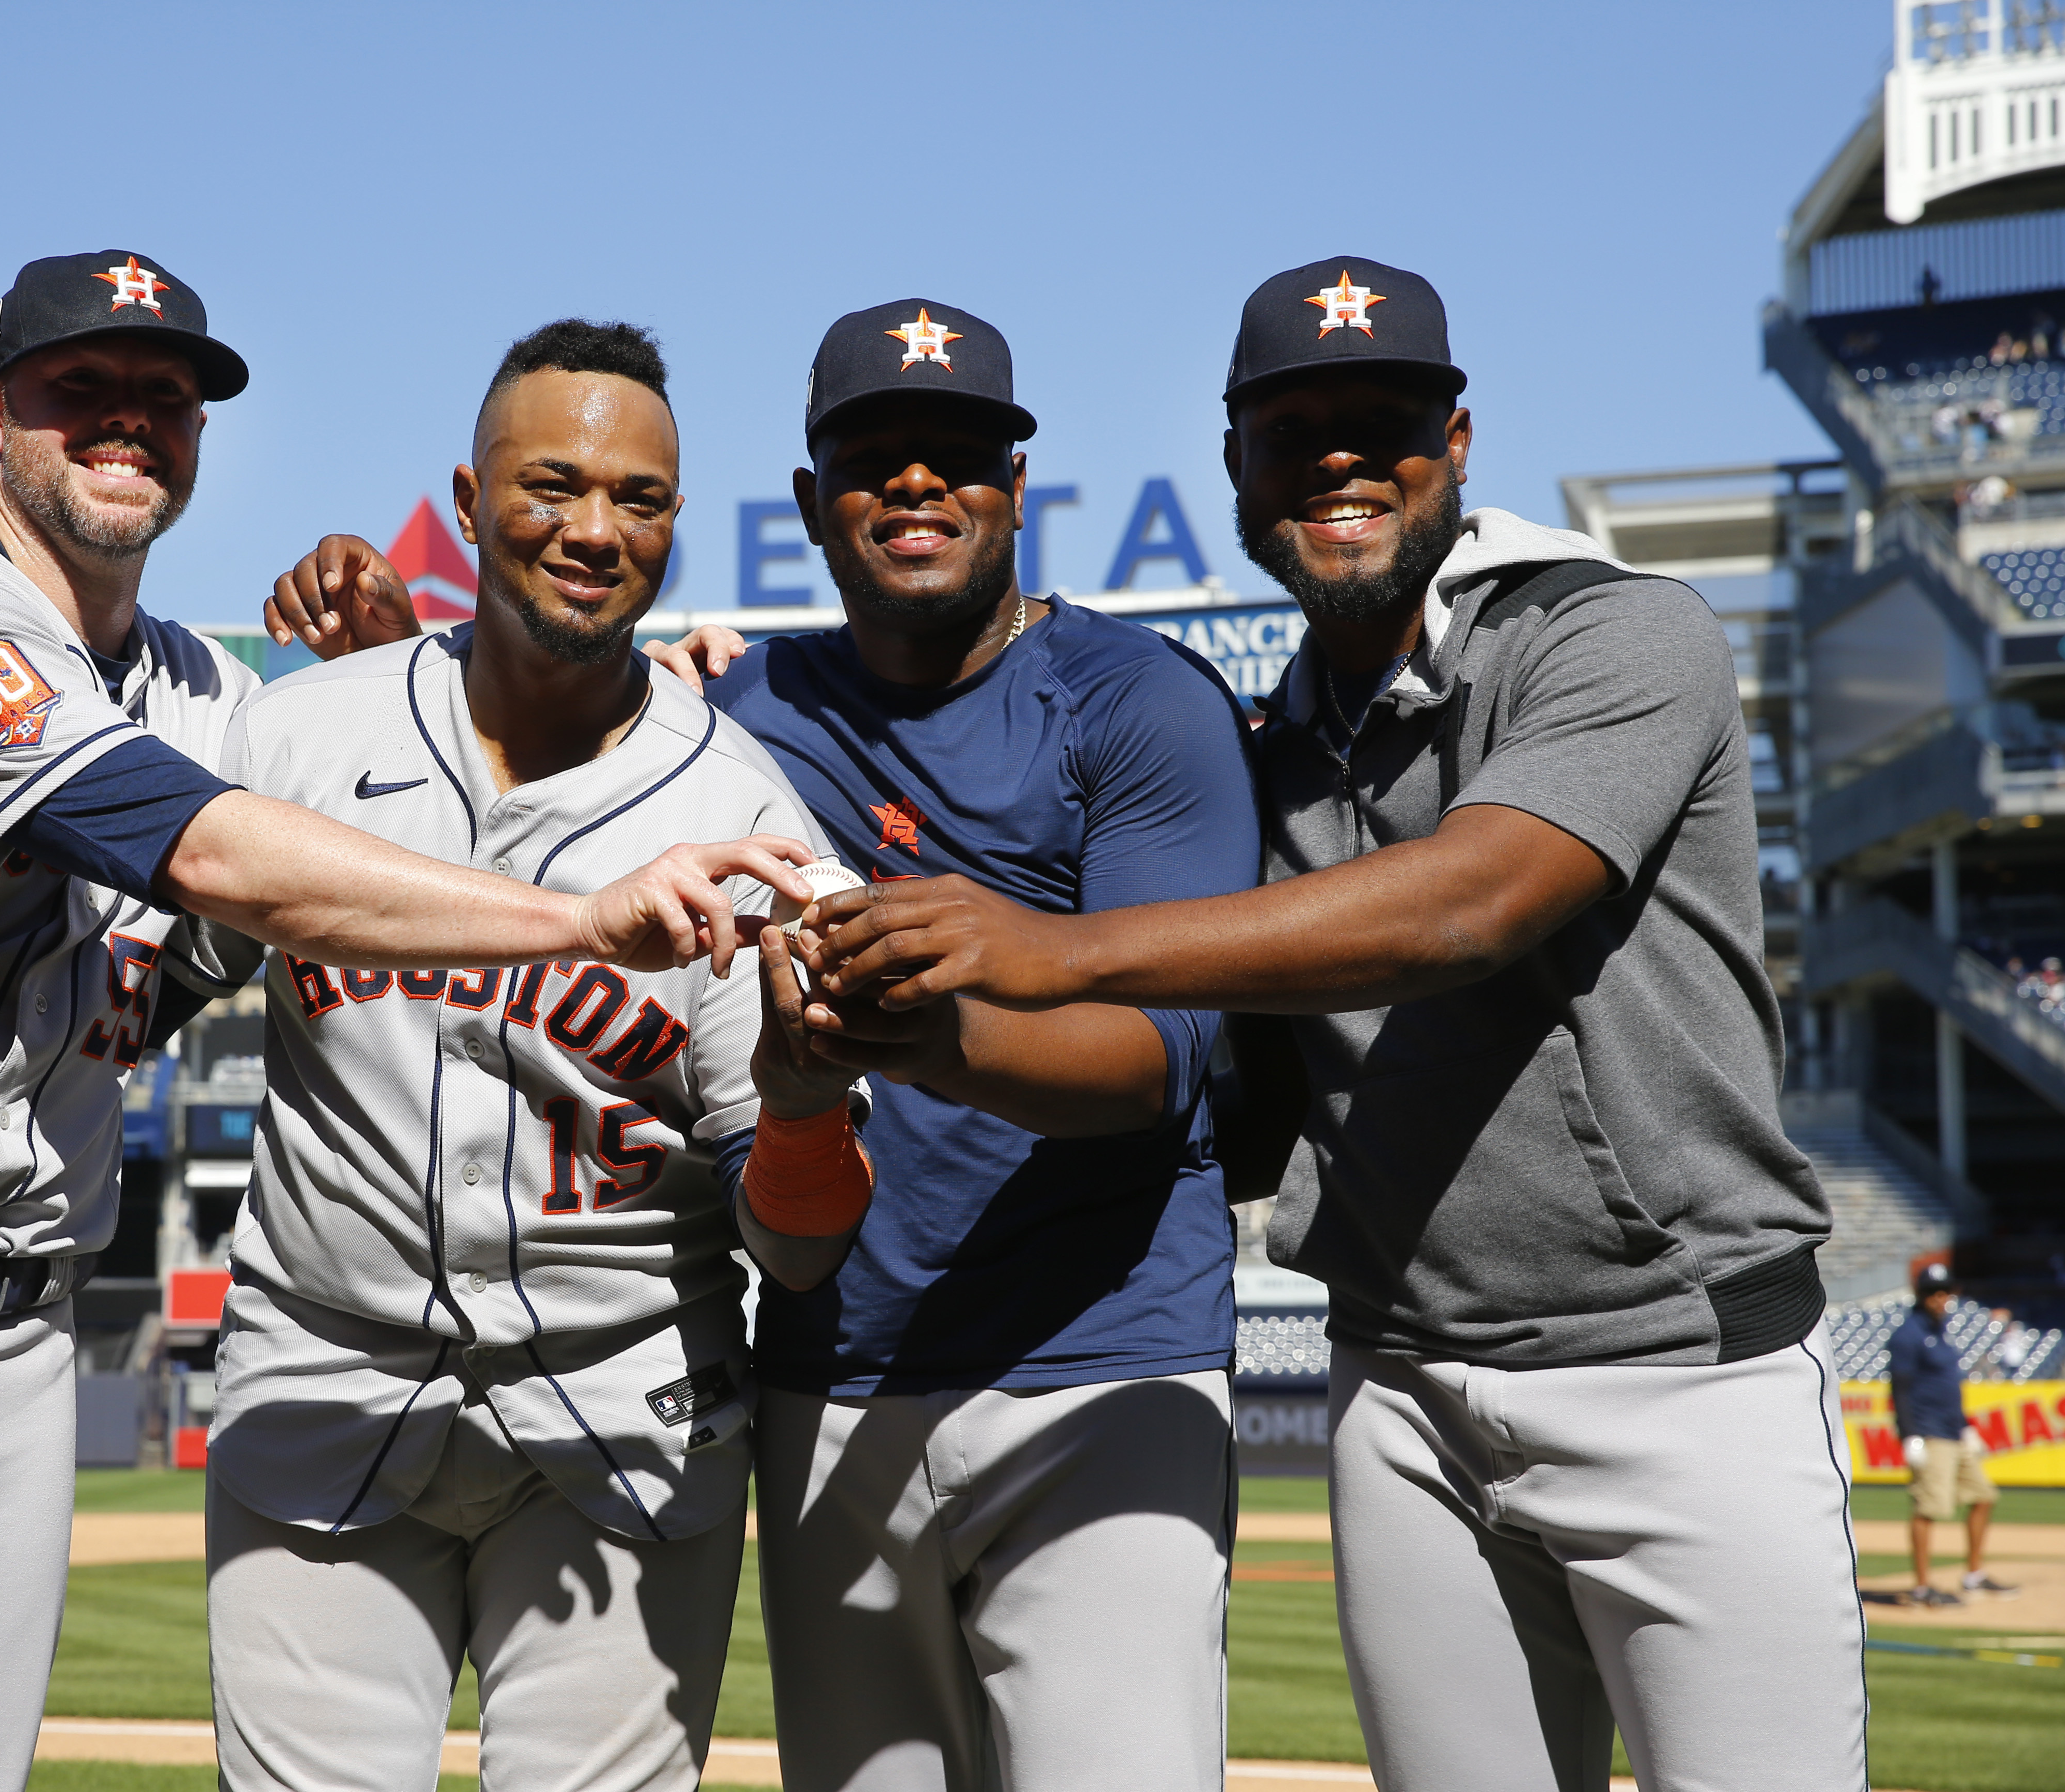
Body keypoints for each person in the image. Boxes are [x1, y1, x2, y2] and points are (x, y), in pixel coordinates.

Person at [0, 257, 812, 1792]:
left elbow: (343, 802)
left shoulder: (224, 704)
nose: (127, 422)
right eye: (79, 388)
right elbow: (215, 854)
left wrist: (492, 665)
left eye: (166, 397)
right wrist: (580, 916)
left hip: (18, 1341)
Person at [808, 258, 1867, 1792]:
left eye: (1384, 421)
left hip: (1683, 1372)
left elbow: (1466, 907)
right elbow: (1235, 1089)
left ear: (1457, 444)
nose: (1340, 459)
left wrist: (1056, 955)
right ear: (1237, 463)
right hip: (1400, 1391)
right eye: (1294, 429)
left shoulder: (1615, 636)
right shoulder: (1278, 741)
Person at [200, 319, 870, 1792]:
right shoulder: (300, 737)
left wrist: (811, 1111)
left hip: (621, 1419)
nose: (594, 528)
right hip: (327, 1387)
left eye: (639, 499)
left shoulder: (747, 822)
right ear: (466, 494)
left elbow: (800, 1248)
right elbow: (119, 977)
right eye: (552, 484)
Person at [716, 300, 1260, 1791]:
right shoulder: (740, 708)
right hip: (829, 1374)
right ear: (813, 503)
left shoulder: (1136, 700)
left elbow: (1162, 1068)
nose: (915, 484)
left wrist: (927, 1037)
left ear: (1016, 491)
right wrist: (402, 648)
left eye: (956, 455)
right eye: (873, 457)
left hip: (1099, 1365)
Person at [1890, 1262, 2018, 1604]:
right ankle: (1921, 1588)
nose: (1940, 1297)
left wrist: (1965, 1428)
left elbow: (1947, 1387)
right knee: (1929, 1509)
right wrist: (1909, 1435)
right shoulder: (1908, 1335)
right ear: (1921, 1294)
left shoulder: (1942, 1329)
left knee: (1984, 1496)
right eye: (1933, 1291)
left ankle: (1974, 1576)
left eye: (1945, 1291)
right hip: (1929, 1433)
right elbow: (1900, 1389)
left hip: (1953, 1431)